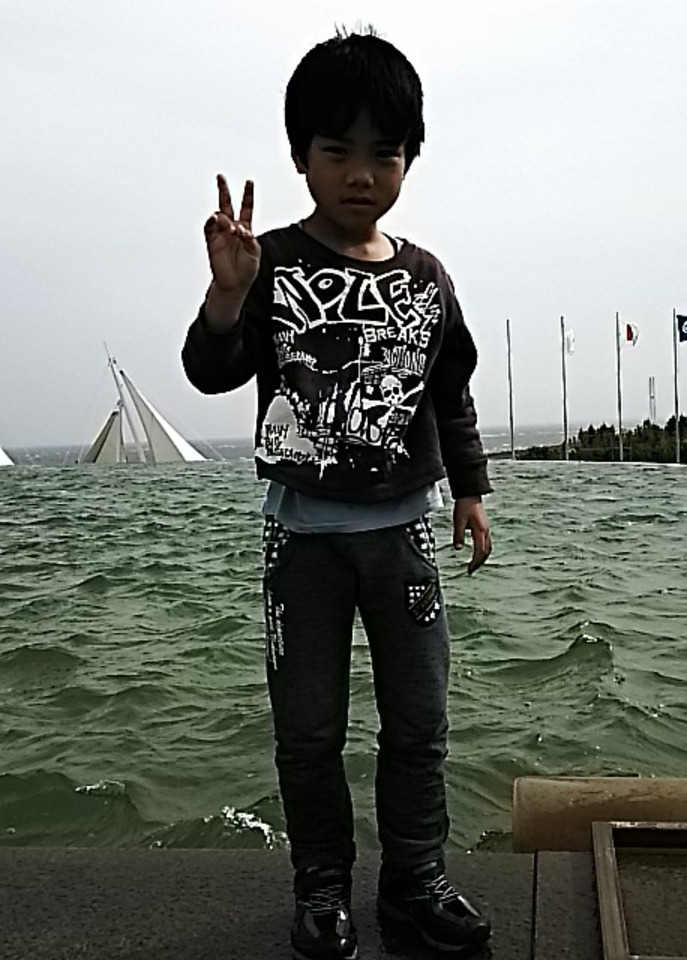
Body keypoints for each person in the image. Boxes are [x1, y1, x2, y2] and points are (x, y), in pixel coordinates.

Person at [182, 28, 493, 960]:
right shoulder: (270, 261)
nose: (361, 174)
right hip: (302, 546)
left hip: (404, 539)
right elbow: (209, 371)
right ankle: (321, 889)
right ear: (300, 157)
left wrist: (471, 491)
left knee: (420, 724)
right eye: (337, 150)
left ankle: (416, 883)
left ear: (409, 160)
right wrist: (227, 297)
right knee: (309, 732)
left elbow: (449, 390)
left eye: (384, 154)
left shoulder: (427, 278)